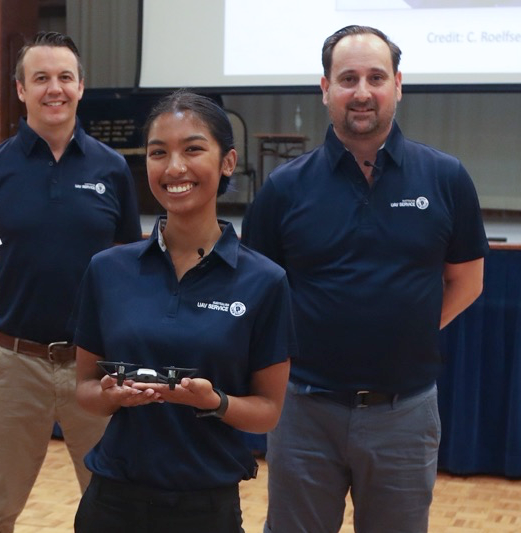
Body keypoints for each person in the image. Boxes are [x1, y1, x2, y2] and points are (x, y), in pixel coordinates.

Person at [241, 25, 488, 533]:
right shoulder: (284, 189)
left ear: (398, 84)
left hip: (405, 415)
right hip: (303, 412)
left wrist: (411, 328)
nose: (362, 92)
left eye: (376, 77)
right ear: (325, 88)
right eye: (347, 77)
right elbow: (256, 294)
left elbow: (467, 282)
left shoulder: (445, 178)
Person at [72, 90, 293, 533]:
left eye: (193, 149)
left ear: (227, 162)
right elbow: (85, 390)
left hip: (205, 505)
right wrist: (111, 396)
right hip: (113, 499)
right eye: (159, 153)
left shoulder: (264, 280)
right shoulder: (108, 269)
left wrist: (214, 402)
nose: (174, 168)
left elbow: (268, 409)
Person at [0, 31, 141, 533]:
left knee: (114, 510)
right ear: (21, 90)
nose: (54, 88)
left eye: (65, 77)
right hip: (12, 365)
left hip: (95, 367)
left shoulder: (112, 169)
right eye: (40, 78)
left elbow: (129, 267)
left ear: (81, 86)